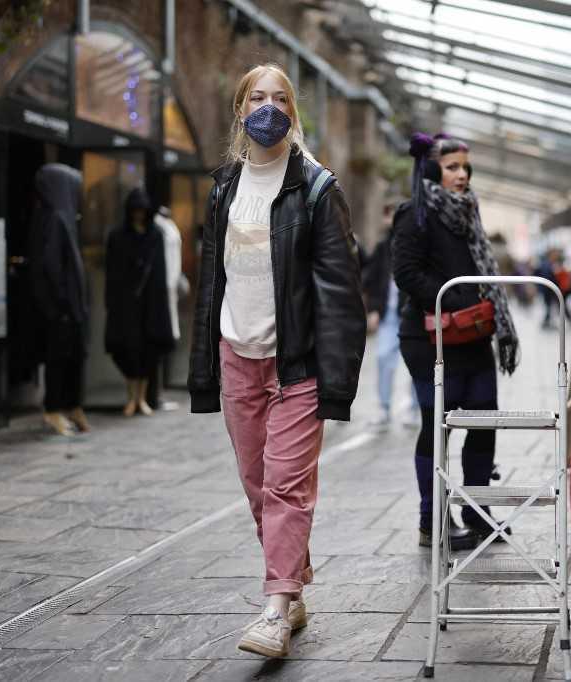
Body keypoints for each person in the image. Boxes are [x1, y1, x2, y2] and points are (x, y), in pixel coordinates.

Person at [187, 63, 365, 659]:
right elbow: (212, 281)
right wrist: (205, 364)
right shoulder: (224, 188)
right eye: (256, 97)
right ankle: (293, 588)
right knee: (259, 488)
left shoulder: (315, 188)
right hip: (237, 356)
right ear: (240, 110)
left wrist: (337, 383)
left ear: (294, 109)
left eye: (279, 97)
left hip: (298, 365)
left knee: (287, 487)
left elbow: (341, 293)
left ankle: (274, 610)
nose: (267, 107)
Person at [392, 132, 520, 552]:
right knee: (437, 425)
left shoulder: (468, 213)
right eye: (452, 167)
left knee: (484, 422)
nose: (462, 175)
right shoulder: (415, 214)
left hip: (474, 336)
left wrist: (479, 307)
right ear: (432, 170)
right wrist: (459, 295)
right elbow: (407, 275)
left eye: (465, 167)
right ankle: (432, 520)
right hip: (429, 339)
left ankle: (477, 513)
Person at [28, 163, 90, 437]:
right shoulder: (55, 219)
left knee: (74, 356)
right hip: (61, 309)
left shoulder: (65, 217)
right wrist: (62, 304)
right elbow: (52, 267)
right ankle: (54, 408)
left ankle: (71, 405)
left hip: (69, 307)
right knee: (59, 357)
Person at [105, 188, 174, 417]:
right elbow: (113, 273)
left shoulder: (155, 236)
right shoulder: (117, 236)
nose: (138, 215)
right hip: (126, 303)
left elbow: (160, 272)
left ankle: (141, 398)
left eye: (142, 211)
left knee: (148, 349)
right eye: (135, 211)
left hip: (151, 303)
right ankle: (131, 397)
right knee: (127, 348)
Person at [363, 205, 419, 431]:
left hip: (411, 314)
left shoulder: (416, 244)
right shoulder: (382, 246)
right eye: (387, 215)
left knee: (416, 363)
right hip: (388, 316)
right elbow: (372, 279)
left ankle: (415, 409)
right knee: (383, 359)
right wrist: (373, 310)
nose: (390, 220)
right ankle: (384, 408)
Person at [147, 206, 189, 410]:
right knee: (159, 342)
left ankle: (156, 393)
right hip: (160, 294)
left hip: (168, 291)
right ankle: (153, 394)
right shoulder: (159, 228)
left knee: (165, 342)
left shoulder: (166, 227)